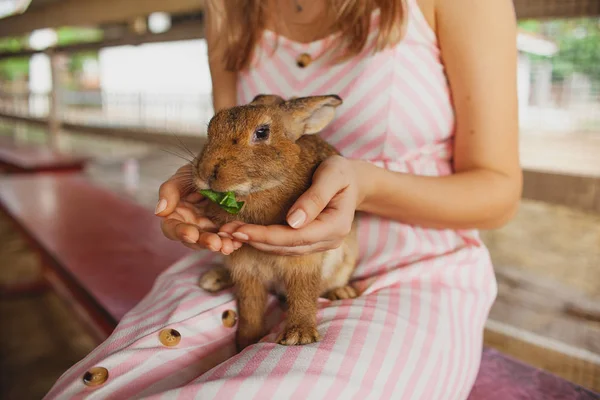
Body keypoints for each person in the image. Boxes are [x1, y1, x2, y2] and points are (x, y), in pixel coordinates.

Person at [45, 0, 521, 398]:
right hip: (249, 247)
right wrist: (202, 191)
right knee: (112, 381)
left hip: (412, 267)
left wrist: (366, 185)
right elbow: (231, 148)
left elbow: (498, 195)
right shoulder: (229, 8)